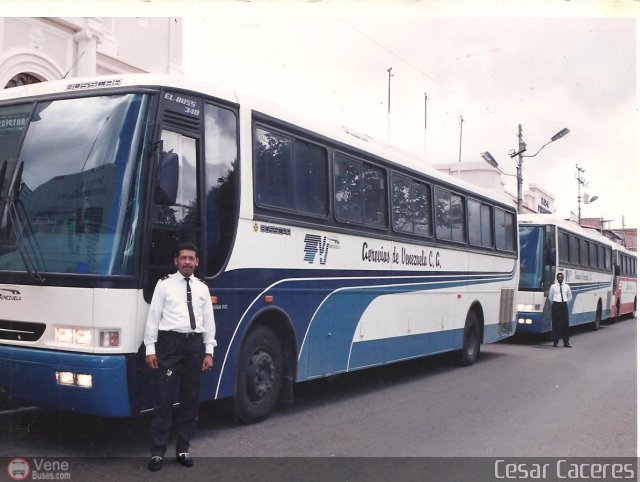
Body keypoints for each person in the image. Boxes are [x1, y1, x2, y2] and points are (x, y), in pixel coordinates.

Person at [144, 242, 216, 471]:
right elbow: (153, 317)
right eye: (183, 258)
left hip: (194, 346)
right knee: (163, 399)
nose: (187, 262)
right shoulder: (164, 285)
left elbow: (209, 322)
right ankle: (157, 453)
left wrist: (208, 351)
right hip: (170, 345)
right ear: (176, 261)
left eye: (191, 258)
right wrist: (150, 349)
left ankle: (183, 449)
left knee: (190, 400)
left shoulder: (202, 288)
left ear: (197, 262)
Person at [548, 271, 572, 348]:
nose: (560, 278)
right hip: (556, 306)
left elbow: (570, 297)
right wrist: (555, 304)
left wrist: (565, 303)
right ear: (557, 278)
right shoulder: (553, 286)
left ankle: (566, 342)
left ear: (563, 278)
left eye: (561, 277)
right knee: (556, 324)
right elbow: (550, 297)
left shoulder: (567, 287)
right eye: (559, 277)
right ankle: (555, 342)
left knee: (565, 324)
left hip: (564, 305)